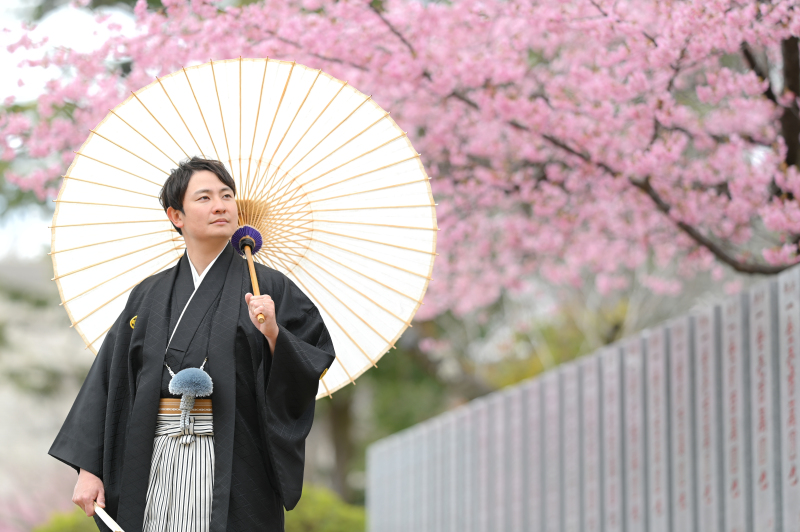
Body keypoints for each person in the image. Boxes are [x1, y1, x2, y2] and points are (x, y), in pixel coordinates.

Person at [48, 157, 336, 531]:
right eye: (204, 197)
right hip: (154, 456)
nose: (220, 205)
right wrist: (90, 469)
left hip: (236, 459)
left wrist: (274, 335)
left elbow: (313, 360)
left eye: (227, 195)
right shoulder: (148, 295)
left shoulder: (270, 289)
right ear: (176, 215)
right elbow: (110, 380)